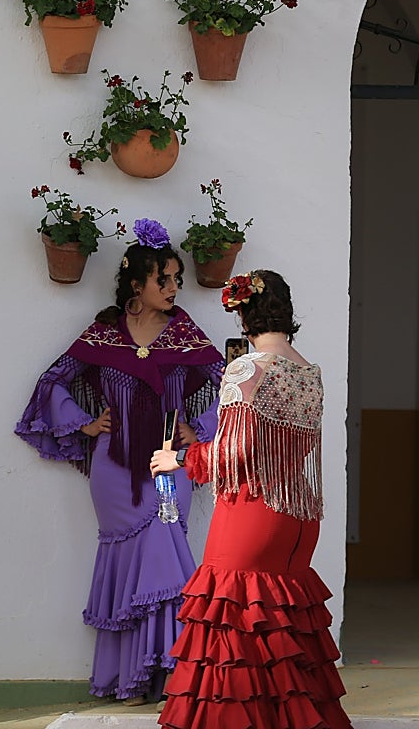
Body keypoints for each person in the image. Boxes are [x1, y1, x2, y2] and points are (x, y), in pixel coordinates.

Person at [15, 219, 224, 705]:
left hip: (170, 468)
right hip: (112, 474)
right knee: (130, 567)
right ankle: (130, 680)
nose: (174, 288)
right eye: (164, 279)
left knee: (168, 550)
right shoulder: (104, 332)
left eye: (177, 279)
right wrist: (86, 424)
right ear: (137, 283)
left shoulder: (185, 332)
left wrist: (202, 429)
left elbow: (233, 382)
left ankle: (174, 676)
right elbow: (53, 383)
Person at [149, 270, 352, 728]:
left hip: (253, 510)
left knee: (232, 619)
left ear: (243, 315)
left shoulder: (247, 367)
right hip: (296, 514)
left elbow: (235, 452)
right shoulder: (308, 372)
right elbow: (289, 449)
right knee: (282, 625)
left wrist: (177, 459)